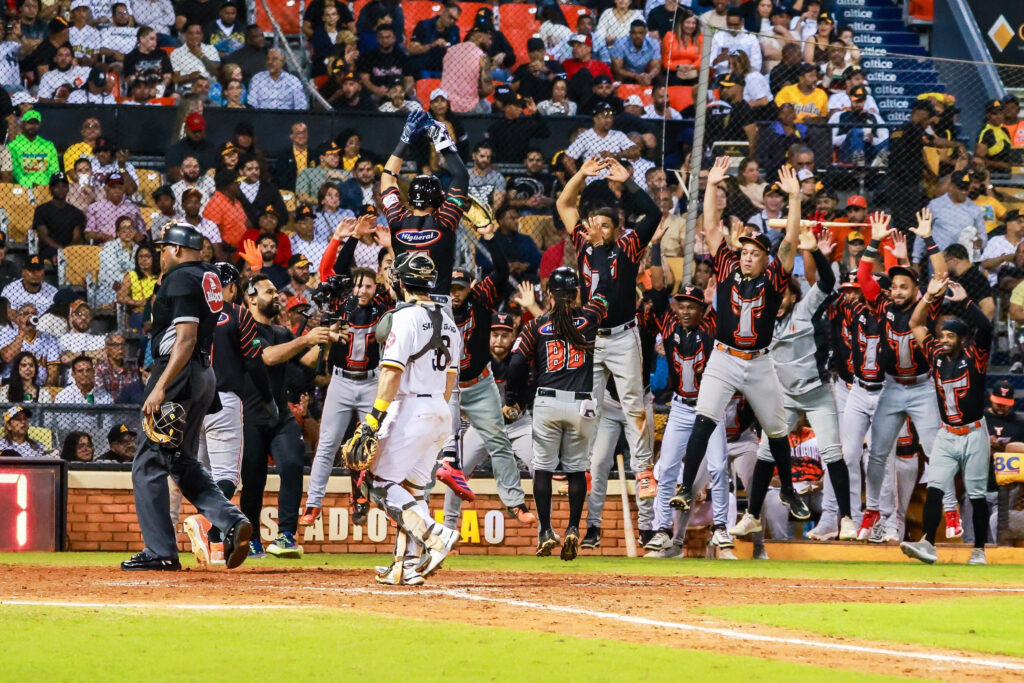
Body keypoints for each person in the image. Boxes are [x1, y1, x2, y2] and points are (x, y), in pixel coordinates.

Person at [673, 159, 811, 533]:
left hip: (758, 361)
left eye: (754, 251)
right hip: (724, 357)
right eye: (744, 250)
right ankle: (686, 487)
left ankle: (789, 492)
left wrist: (795, 198)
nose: (747, 255)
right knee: (704, 418)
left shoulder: (773, 278)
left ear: (765, 258)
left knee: (777, 428)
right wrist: (712, 187)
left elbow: (791, 241)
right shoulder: (725, 268)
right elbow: (710, 228)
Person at [122, 223, 253, 571]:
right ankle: (230, 519)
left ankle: (160, 551)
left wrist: (162, 385)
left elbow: (185, 337)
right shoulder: (210, 275)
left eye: (165, 248)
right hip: (204, 375)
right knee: (181, 461)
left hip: (178, 372)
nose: (161, 254)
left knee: (148, 463)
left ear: (177, 249)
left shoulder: (180, 277)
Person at [557, 156, 660, 500]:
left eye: (605, 225)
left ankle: (644, 471)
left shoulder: (629, 247)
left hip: (622, 336)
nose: (598, 229)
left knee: (634, 404)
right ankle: (581, 469)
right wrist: (581, 175)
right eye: (594, 223)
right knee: (586, 404)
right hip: (591, 337)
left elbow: (654, 215)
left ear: (617, 228)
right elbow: (564, 202)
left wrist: (629, 181)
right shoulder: (582, 244)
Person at [856, 210, 962, 541]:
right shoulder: (882, 306)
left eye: (905, 286)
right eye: (895, 286)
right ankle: (872, 508)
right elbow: (863, 277)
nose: (898, 291)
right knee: (876, 452)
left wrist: (929, 239)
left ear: (916, 290)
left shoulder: (927, 307)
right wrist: (874, 240)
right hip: (891, 388)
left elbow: (941, 273)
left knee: (935, 450)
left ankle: (950, 507)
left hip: (921, 388)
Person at [380, 111, 471, 495]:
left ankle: (388, 429)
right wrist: (440, 137)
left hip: (403, 307)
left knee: (397, 373)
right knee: (443, 380)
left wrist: (404, 138)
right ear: (437, 199)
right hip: (438, 309)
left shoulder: (398, 222)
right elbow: (462, 177)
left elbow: (386, 180)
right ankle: (446, 456)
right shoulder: (444, 221)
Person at [505, 248, 611, 559]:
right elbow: (604, 292)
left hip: (548, 402)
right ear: (576, 293)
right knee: (577, 470)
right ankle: (575, 528)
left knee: (544, 470)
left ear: (549, 294)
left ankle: (546, 530)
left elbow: (515, 365)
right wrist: (601, 253)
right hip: (583, 405)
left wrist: (512, 399)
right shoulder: (589, 318)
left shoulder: (537, 325)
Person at [442, 224, 535, 529]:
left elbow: (501, 268)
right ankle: (446, 527)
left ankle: (515, 503)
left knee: (499, 442)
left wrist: (490, 237)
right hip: (447, 386)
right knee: (453, 463)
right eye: (450, 288)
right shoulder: (435, 308)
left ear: (470, 287)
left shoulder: (480, 300)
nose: (455, 293)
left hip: (480, 385)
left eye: (460, 288)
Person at [240, 273, 339, 558]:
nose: (276, 297)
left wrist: (324, 340)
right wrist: (305, 339)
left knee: (294, 464)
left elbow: (307, 363)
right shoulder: (244, 328)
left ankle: (286, 535)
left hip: (279, 413)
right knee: (253, 480)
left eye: (276, 292)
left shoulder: (283, 333)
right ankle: (252, 540)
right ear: (251, 297)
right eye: (269, 292)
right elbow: (268, 356)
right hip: (250, 415)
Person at [181, 262, 272, 566]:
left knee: (199, 473)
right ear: (232, 288)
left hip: (192, 402)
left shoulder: (191, 315)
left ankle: (212, 540)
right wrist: (269, 399)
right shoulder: (238, 313)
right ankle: (208, 525)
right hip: (225, 400)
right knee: (227, 476)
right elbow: (255, 361)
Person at [901, 271, 992, 565]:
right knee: (936, 487)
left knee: (976, 494)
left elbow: (986, 327)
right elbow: (915, 323)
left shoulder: (975, 355)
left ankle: (979, 549)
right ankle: (928, 543)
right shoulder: (936, 354)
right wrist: (928, 296)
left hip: (974, 432)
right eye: (942, 335)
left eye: (950, 336)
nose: (944, 340)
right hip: (947, 433)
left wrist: (965, 302)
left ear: (963, 339)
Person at [301, 247, 393, 526]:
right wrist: (349, 239)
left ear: (376, 285)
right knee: (327, 445)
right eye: (357, 285)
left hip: (372, 382)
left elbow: (393, 278)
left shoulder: (384, 306)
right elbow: (336, 270)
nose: (361, 290)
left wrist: (389, 246)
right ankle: (313, 504)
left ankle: (376, 501)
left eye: (367, 285)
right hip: (341, 381)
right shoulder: (343, 304)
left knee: (374, 447)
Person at [914, 171, 986, 264]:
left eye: (966, 188)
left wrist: (980, 242)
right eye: (960, 188)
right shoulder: (935, 205)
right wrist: (916, 259)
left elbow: (982, 234)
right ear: (951, 186)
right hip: (939, 258)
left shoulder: (975, 209)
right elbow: (922, 232)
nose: (964, 192)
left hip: (963, 261)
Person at [564, 102, 633, 175]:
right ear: (595, 119)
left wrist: (617, 155)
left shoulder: (619, 135)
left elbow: (636, 150)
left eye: (611, 117)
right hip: (593, 180)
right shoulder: (585, 136)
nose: (609, 120)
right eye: (605, 117)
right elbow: (567, 159)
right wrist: (579, 179)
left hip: (615, 180)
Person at [439, 24, 492, 114]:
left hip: (446, 104)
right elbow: (486, 90)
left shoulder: (450, 51)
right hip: (468, 108)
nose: (490, 42)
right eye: (489, 38)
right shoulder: (482, 57)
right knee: (486, 105)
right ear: (480, 37)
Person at [8, 110, 58, 188]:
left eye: (36, 123)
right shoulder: (13, 145)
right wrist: (29, 184)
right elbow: (16, 172)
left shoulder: (48, 145)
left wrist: (45, 185)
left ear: (40, 125)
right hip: (23, 186)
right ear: (23, 124)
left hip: (46, 186)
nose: (33, 126)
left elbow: (54, 169)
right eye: (30, 123)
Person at [171, 23, 221, 94]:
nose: (194, 36)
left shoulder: (211, 49)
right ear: (186, 35)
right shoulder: (176, 53)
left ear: (202, 35)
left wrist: (201, 56)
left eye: (198, 33)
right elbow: (175, 79)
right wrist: (189, 76)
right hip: (188, 88)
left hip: (209, 87)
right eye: (191, 33)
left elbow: (216, 72)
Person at [611, 19, 660, 85]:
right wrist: (635, 76)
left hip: (646, 74)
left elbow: (656, 67)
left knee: (658, 78)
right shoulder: (620, 42)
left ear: (645, 33)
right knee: (618, 76)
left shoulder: (653, 43)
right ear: (630, 33)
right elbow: (617, 68)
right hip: (626, 74)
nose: (637, 36)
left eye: (640, 33)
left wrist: (649, 76)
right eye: (634, 33)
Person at [271, 122, 312, 193]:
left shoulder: (314, 154)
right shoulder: (284, 155)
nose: (301, 135)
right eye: (298, 133)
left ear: (308, 135)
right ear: (291, 136)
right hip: (290, 191)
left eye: (304, 132)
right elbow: (280, 178)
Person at [466, 141, 506, 209]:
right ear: (474, 156)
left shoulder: (498, 177)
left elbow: (498, 203)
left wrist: (489, 217)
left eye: (488, 157)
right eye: (482, 156)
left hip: (489, 214)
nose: (485, 159)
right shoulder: (465, 176)